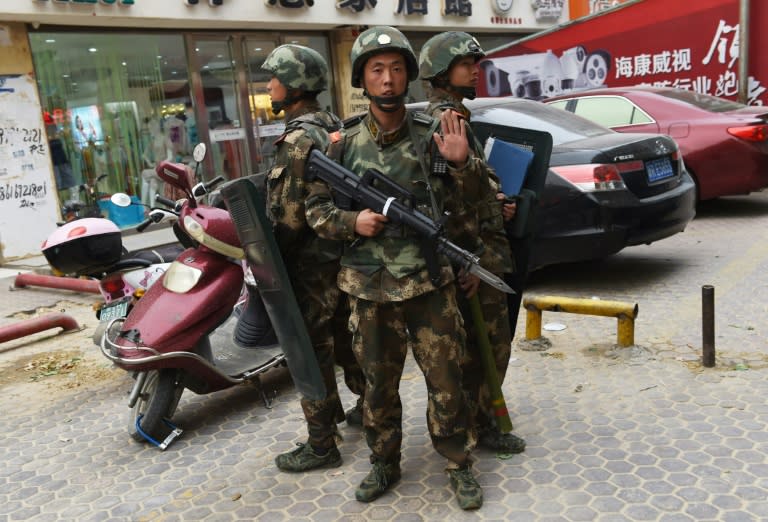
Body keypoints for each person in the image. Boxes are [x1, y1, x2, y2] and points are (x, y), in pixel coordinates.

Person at [305, 26, 487, 510]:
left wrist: (463, 163)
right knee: (376, 388)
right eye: (377, 70)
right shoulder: (340, 143)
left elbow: (473, 205)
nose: (388, 80)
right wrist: (351, 220)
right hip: (368, 288)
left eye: (397, 69)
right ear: (363, 78)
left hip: (429, 284)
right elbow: (314, 211)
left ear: (409, 75)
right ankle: (384, 461)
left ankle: (458, 462)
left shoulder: (437, 134)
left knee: (448, 381)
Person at [419, 31, 527, 455]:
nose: (475, 71)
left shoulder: (456, 116)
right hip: (473, 256)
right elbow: (446, 200)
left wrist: (495, 198)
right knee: (485, 348)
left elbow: (474, 180)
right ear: (443, 72)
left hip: (482, 250)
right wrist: (471, 261)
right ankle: (480, 427)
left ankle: (479, 422)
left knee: (487, 347)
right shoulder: (446, 122)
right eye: (466, 65)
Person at [260, 44, 365, 473]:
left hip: (311, 268)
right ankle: (371, 411)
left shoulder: (298, 138)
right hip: (346, 261)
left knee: (311, 352)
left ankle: (322, 443)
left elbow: (289, 217)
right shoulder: (336, 127)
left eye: (274, 79)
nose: (268, 86)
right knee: (351, 342)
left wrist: (270, 262)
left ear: (295, 84)